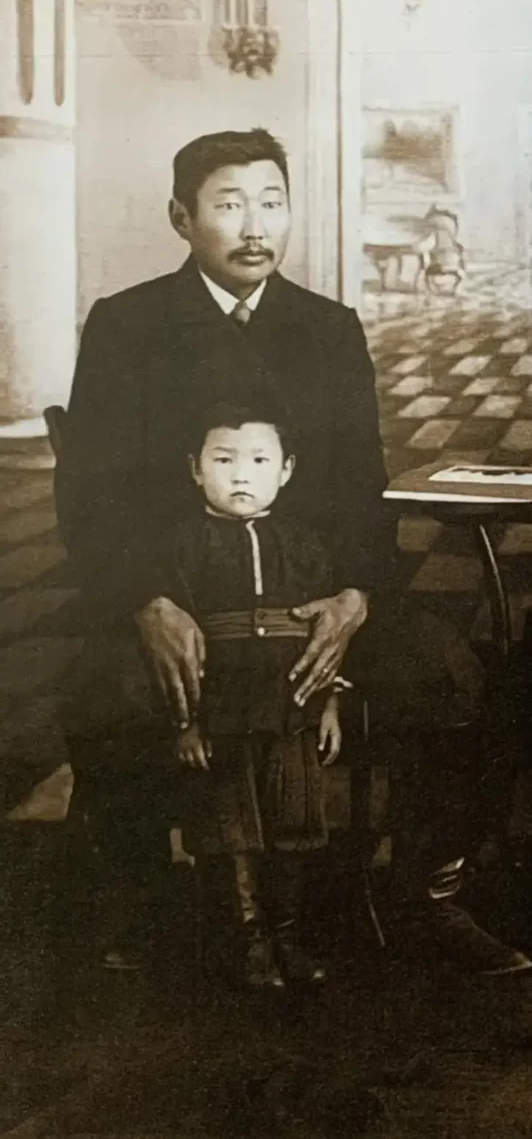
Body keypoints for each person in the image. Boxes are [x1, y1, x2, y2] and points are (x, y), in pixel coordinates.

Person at [56, 127, 532, 977]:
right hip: (185, 599)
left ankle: (422, 897)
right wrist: (147, 602)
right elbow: (92, 496)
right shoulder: (129, 326)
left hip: (310, 600)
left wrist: (354, 599)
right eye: (229, 204)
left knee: (446, 670)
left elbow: (363, 489)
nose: (255, 226)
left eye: (271, 203)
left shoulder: (328, 328)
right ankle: (141, 902)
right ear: (181, 217)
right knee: (107, 686)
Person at [170, 401, 347, 989]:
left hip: (291, 706)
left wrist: (329, 705)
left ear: (286, 469)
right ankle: (247, 941)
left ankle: (287, 936)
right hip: (220, 709)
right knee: (230, 825)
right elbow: (173, 651)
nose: (241, 475)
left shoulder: (303, 542)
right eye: (223, 460)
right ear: (195, 468)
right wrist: (186, 723)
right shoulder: (184, 545)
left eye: (259, 460)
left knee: (293, 818)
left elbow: (325, 640)